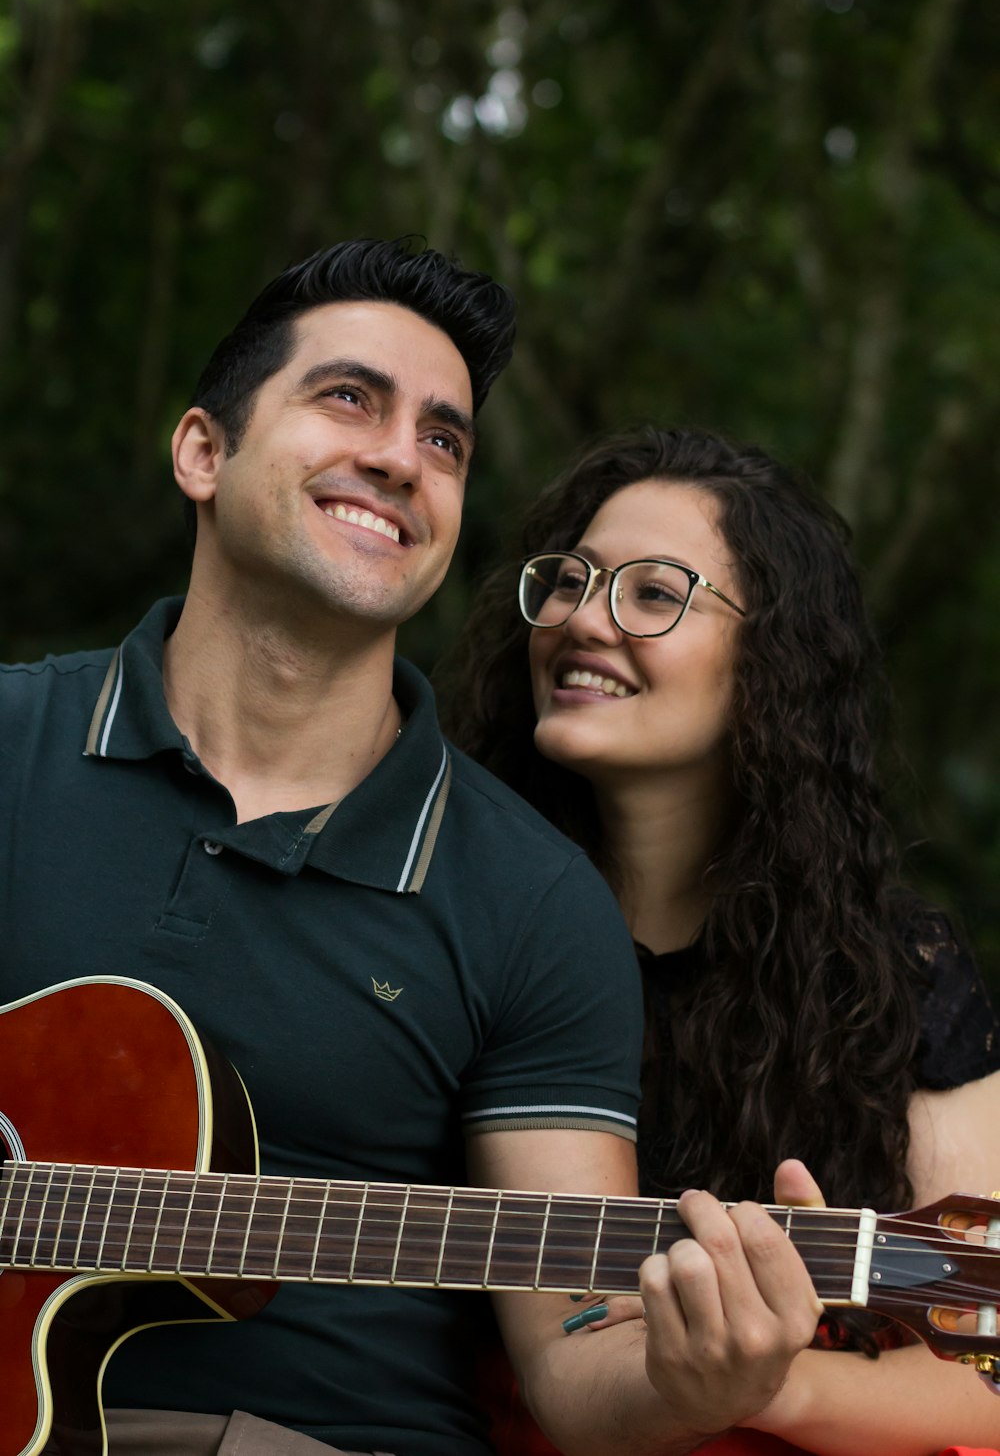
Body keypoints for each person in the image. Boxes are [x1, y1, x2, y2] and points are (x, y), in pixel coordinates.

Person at [1, 251, 824, 1456]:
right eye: (348, 399)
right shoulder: (13, 740)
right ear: (202, 452)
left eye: (444, 440)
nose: (400, 456)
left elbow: (579, 1356)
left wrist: (701, 1380)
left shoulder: (530, 899)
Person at [443, 424, 1000, 1456]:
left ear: (769, 661)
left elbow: (986, 1370)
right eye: (568, 580)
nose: (580, 620)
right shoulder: (453, 918)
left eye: (653, 593)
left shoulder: (889, 972)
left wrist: (745, 1384)